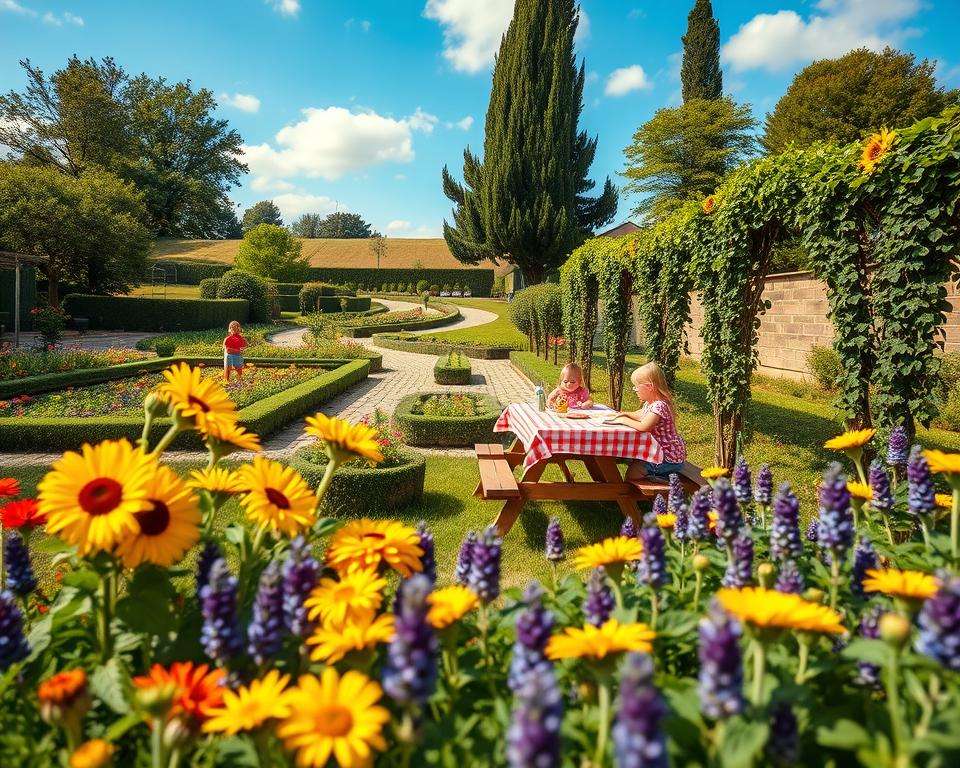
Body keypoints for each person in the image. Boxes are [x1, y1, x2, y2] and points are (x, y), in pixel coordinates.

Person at [605, 362, 687, 479]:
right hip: (660, 453)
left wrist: (624, 420)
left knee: (633, 473)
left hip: (667, 458)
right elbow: (640, 415)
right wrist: (624, 413)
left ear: (650, 387)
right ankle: (653, 478)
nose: (635, 390)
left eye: (637, 387)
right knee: (631, 460)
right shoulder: (650, 404)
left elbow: (645, 426)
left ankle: (656, 482)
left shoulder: (659, 406)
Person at [223, 320, 248, 384]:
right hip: (231, 356)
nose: (234, 329)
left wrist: (243, 349)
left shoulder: (242, 338)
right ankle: (227, 380)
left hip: (238, 356)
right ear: (230, 329)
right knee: (229, 359)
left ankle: (239, 380)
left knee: (239, 368)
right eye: (232, 327)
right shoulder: (228, 339)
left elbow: (245, 346)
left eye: (236, 327)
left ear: (239, 329)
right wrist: (238, 350)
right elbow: (227, 350)